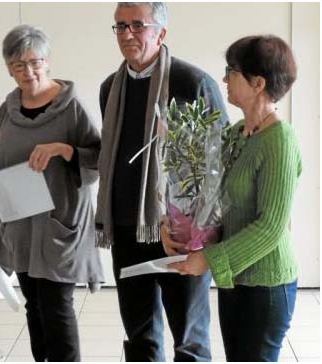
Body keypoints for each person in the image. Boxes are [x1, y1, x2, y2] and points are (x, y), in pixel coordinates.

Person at [95, 2, 229, 361]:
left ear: (161, 32)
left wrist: (203, 235)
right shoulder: (110, 87)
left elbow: (221, 161)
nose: (127, 34)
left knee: (188, 337)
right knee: (138, 335)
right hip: (127, 228)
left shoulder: (192, 82)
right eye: (120, 26)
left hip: (180, 233)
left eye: (137, 25)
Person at [163, 34, 300, 362]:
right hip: (236, 279)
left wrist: (208, 259)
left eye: (231, 71)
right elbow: (209, 195)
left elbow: (270, 227)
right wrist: (174, 226)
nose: (223, 78)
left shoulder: (279, 141)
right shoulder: (237, 134)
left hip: (266, 285)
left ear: (257, 82)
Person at [0, 24, 104, 362]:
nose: (28, 72)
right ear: (8, 69)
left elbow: (98, 158)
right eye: (19, 65)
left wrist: (64, 149)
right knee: (34, 304)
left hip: (59, 223)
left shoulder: (72, 107)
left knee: (56, 304)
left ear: (47, 62)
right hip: (19, 221)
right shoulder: (8, 109)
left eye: (35, 62)